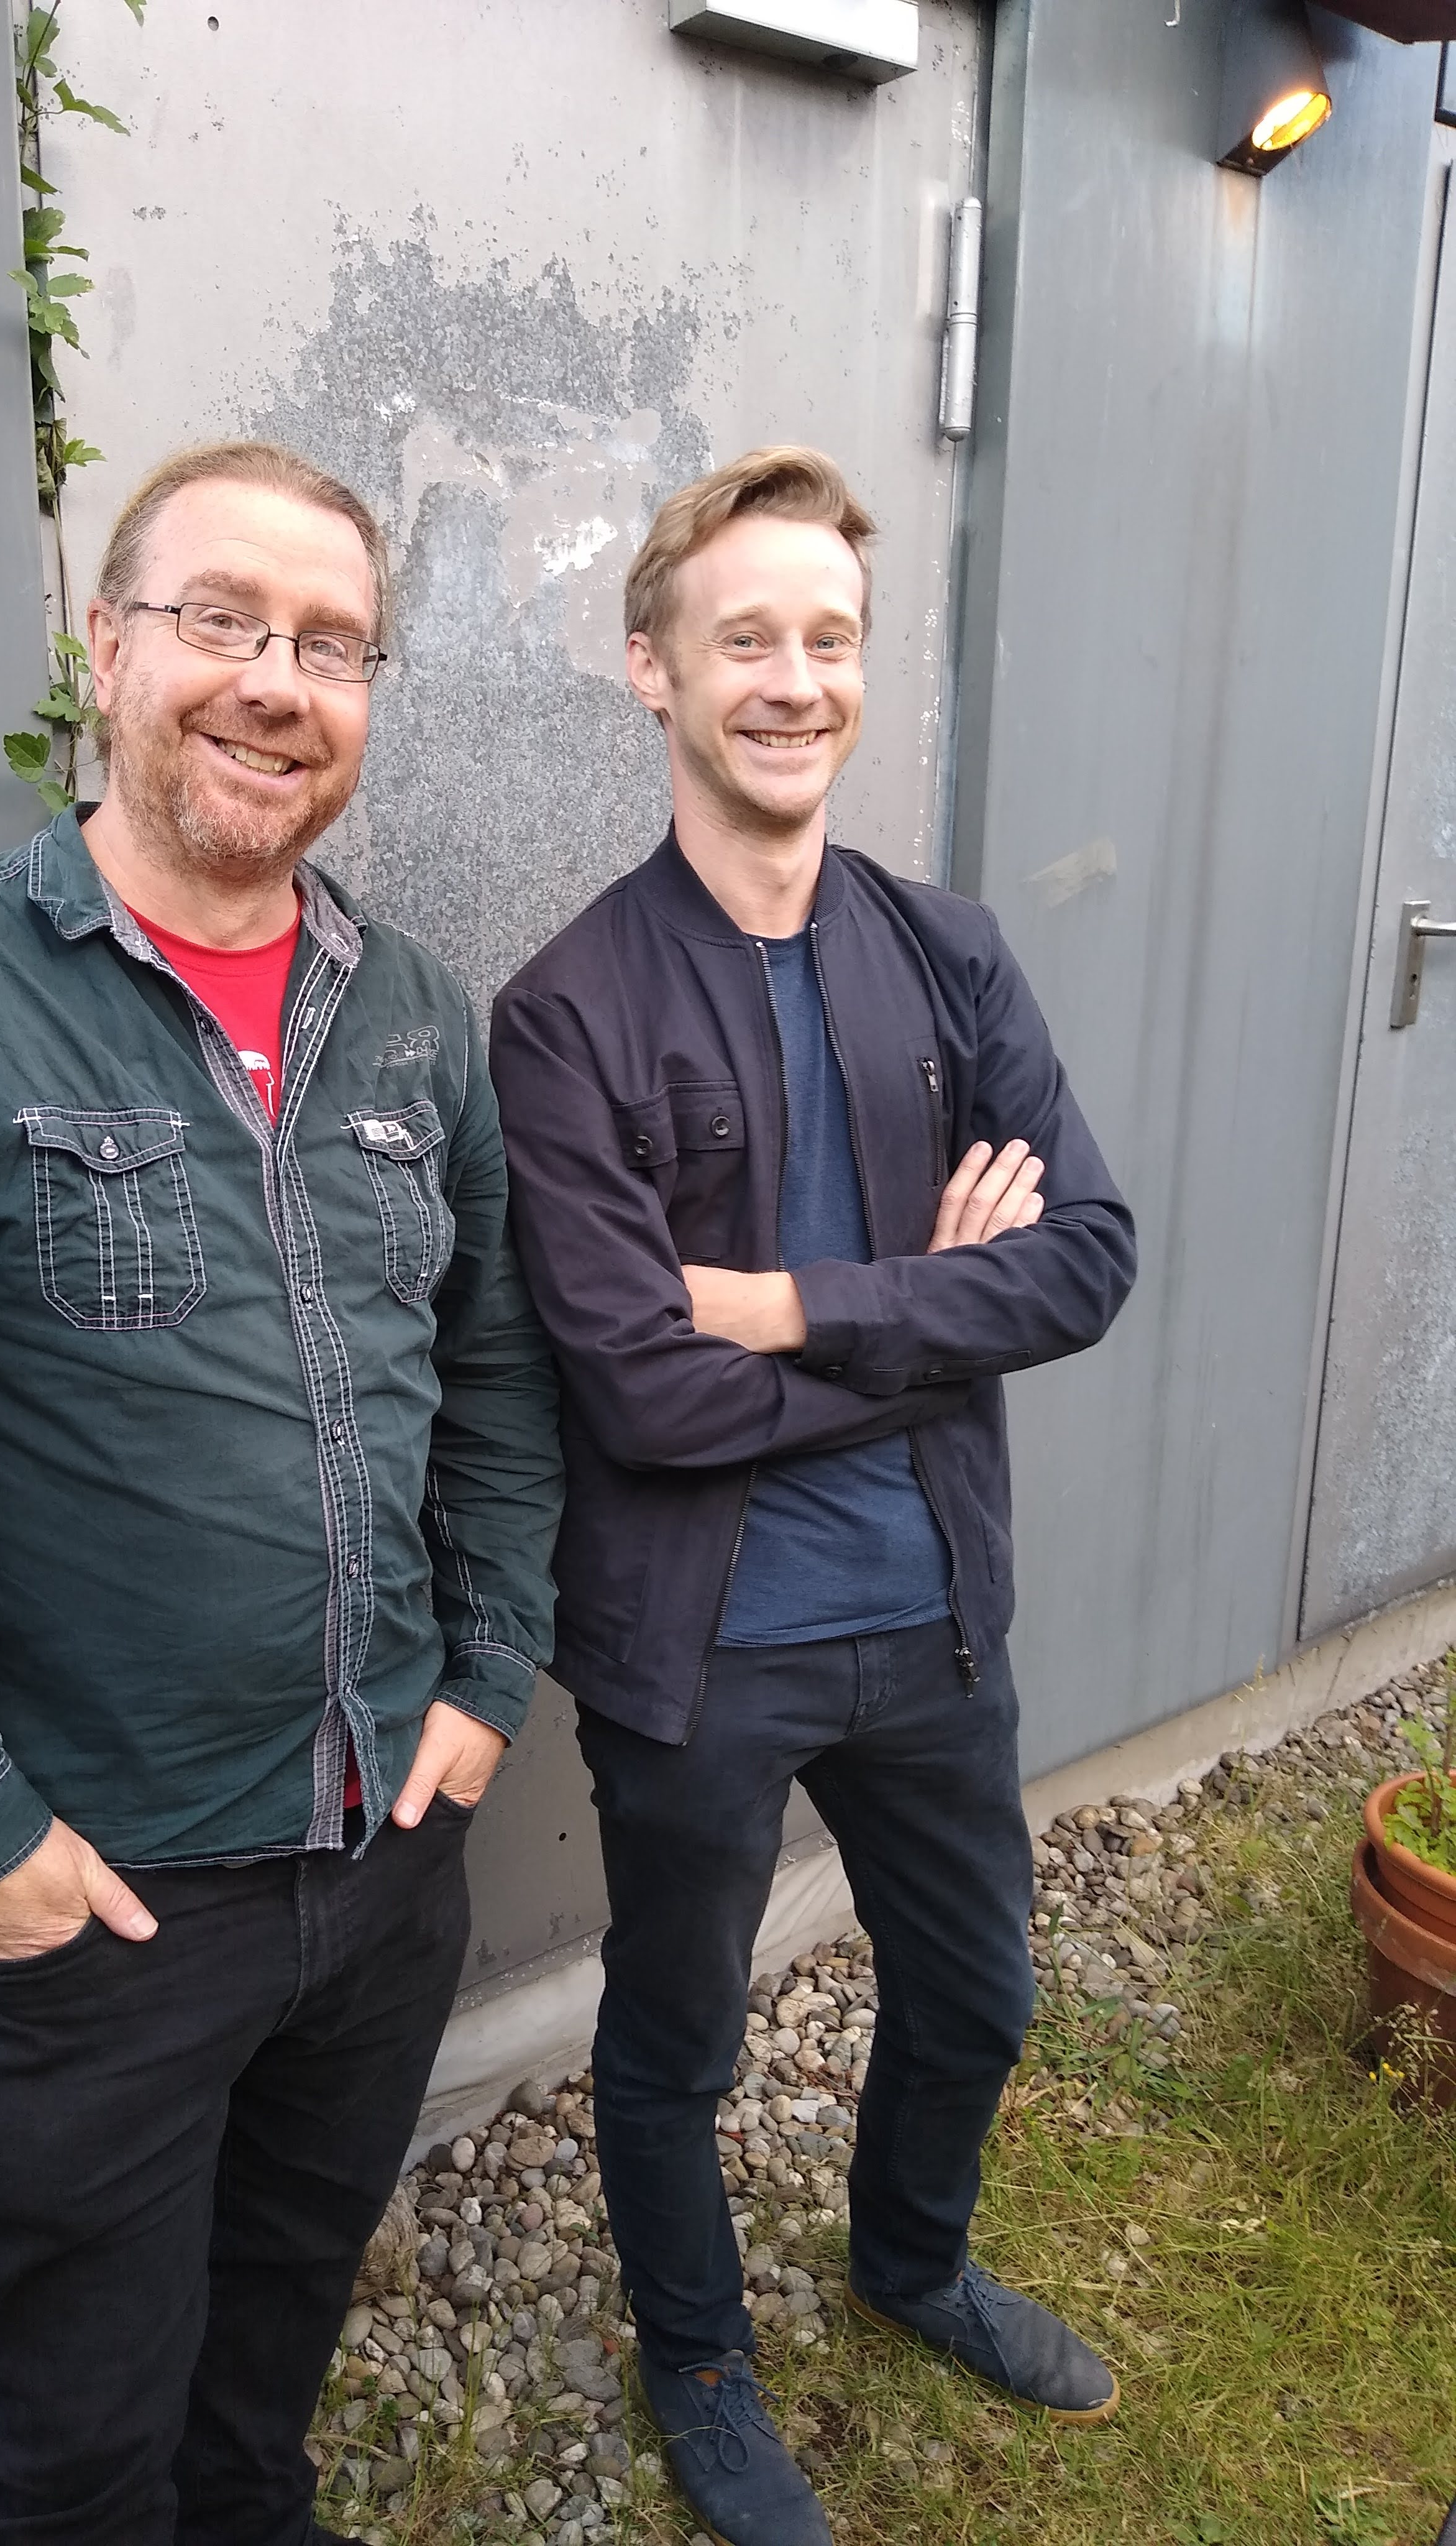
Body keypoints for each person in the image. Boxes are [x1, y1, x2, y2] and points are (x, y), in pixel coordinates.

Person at [0, 439, 562, 2546]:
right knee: (76, 2446)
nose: (277, 681)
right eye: (223, 621)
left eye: (333, 644)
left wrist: (489, 1665)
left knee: (268, 2357)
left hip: (381, 1860)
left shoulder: (415, 1023)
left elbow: (497, 1377)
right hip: (102, 1904)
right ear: (105, 648)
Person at [488, 446, 1137, 2545]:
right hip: (707, 1650)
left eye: (831, 639)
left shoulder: (945, 956)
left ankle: (911, 2259)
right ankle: (699, 2368)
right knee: (674, 2040)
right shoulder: (568, 1011)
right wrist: (934, 1309)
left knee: (979, 1992)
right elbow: (641, 1405)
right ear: (651, 668)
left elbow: (1091, 1260)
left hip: (936, 1620)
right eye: (745, 638)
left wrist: (781, 1303)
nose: (794, 679)